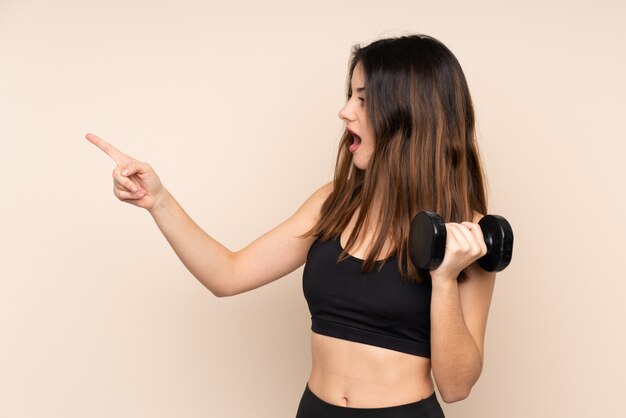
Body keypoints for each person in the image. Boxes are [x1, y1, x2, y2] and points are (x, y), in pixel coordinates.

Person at [87, 34, 495, 418]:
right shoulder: (333, 202)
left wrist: (444, 278)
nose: (345, 111)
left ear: (409, 116)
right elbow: (228, 275)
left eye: (364, 100)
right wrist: (158, 201)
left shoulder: (470, 237)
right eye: (350, 95)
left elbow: (456, 386)